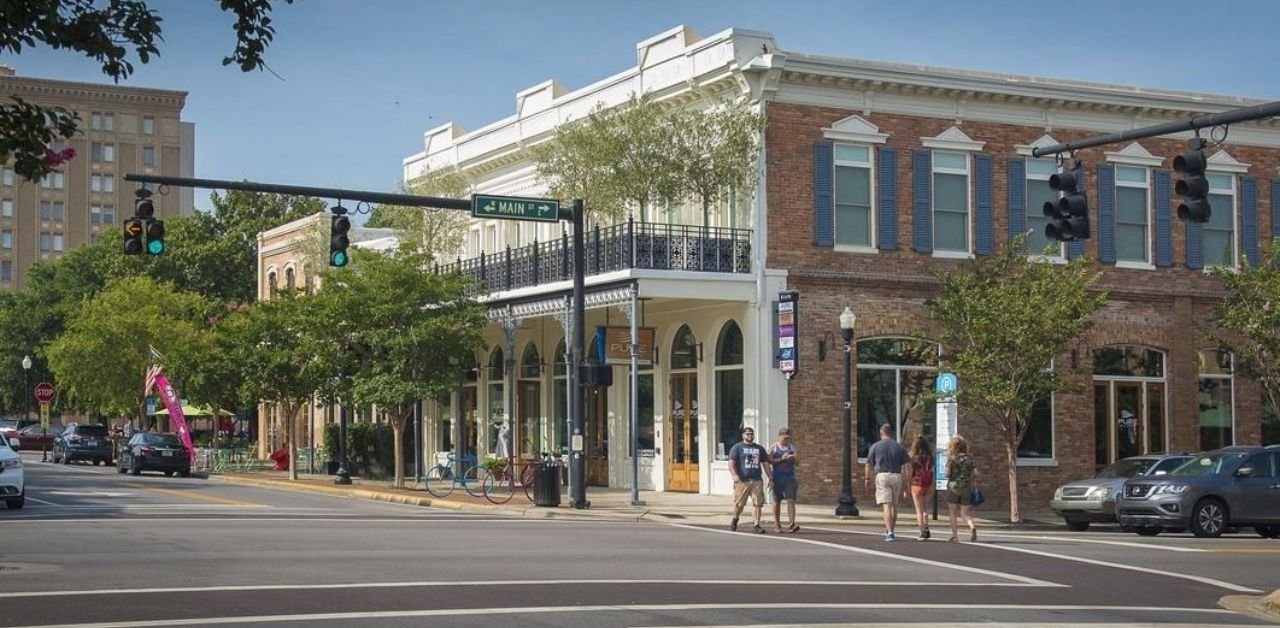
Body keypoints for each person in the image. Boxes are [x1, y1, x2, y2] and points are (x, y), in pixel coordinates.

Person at [864, 423, 910, 541]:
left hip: (882, 475)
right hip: (896, 475)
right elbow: (907, 465)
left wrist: (867, 478)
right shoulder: (899, 446)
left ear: (881, 433)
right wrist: (906, 482)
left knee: (886, 505)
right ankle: (891, 530)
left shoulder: (875, 446)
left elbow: (868, 463)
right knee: (894, 505)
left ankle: (889, 532)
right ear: (891, 433)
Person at [728, 426, 771, 533]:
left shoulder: (759, 448)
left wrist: (771, 477)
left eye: (751, 434)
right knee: (739, 504)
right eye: (747, 434)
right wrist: (734, 475)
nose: (750, 436)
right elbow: (731, 462)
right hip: (743, 480)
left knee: (758, 503)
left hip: (757, 479)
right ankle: (735, 519)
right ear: (743, 435)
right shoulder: (737, 447)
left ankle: (756, 524)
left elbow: (765, 464)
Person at [945, 434, 979, 543]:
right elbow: (976, 473)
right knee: (965, 513)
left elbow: (947, 473)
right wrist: (969, 478)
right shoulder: (969, 458)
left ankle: (955, 536)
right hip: (966, 488)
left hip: (954, 487)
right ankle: (971, 526)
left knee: (952, 513)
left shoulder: (952, 459)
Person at [769, 427, 799, 534]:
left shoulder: (792, 447)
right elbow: (769, 461)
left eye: (788, 438)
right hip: (777, 477)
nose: (786, 441)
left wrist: (793, 458)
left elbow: (797, 461)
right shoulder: (774, 447)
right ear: (779, 437)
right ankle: (777, 524)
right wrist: (781, 459)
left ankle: (792, 523)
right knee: (777, 501)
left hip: (789, 477)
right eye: (784, 438)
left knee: (791, 500)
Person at [907, 436, 935, 540]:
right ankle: (927, 528)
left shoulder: (913, 457)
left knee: (919, 510)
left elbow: (910, 472)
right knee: (925, 509)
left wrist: (908, 484)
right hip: (927, 484)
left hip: (916, 483)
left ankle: (922, 531)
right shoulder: (930, 457)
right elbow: (932, 470)